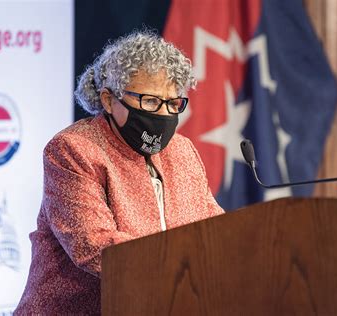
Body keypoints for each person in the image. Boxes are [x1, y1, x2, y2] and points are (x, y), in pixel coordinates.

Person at [14, 30, 224, 314]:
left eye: (173, 103)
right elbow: (95, 246)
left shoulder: (182, 151)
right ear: (109, 100)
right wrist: (182, 268)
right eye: (150, 101)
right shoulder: (72, 150)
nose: (162, 114)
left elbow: (214, 230)